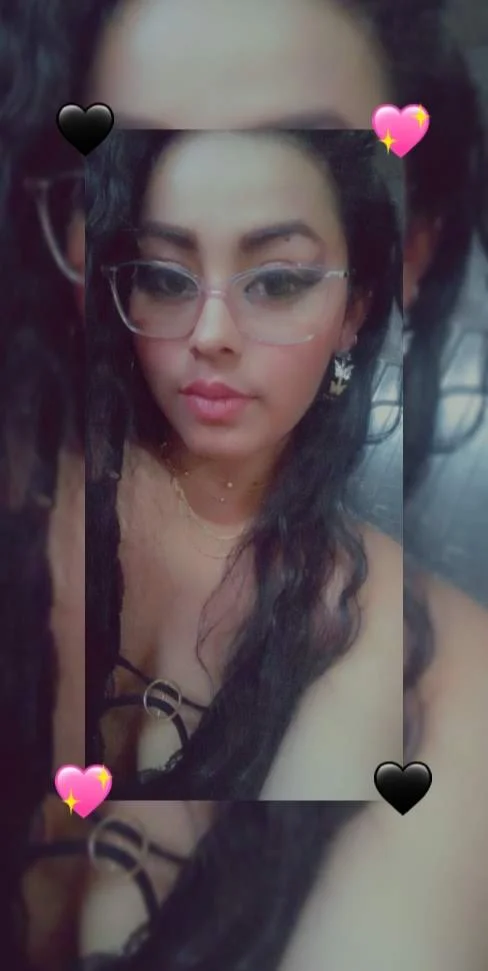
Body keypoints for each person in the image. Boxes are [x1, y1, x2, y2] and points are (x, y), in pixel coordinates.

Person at [85, 128, 404, 799]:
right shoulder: (61, 498)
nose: (210, 335)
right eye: (164, 278)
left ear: (354, 312)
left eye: (278, 281)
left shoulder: (373, 609)